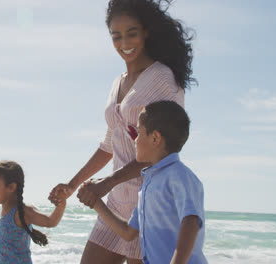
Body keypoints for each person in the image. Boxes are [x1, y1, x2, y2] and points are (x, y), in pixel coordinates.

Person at [49, 0, 196, 263]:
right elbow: (109, 144)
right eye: (116, 36)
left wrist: (108, 182)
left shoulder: (162, 79)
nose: (124, 42)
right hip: (116, 202)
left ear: (146, 31)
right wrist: (72, 185)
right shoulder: (118, 82)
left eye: (132, 33)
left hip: (151, 203)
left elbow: (162, 151)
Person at [80, 100, 207, 264]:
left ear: (155, 138)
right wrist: (96, 203)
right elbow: (128, 232)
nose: (135, 140)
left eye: (139, 133)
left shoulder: (179, 175)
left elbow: (191, 220)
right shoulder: (149, 184)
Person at [0, 160, 66, 264]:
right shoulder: (4, 213)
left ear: (11, 187)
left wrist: (61, 203)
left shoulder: (23, 212)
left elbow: (50, 221)